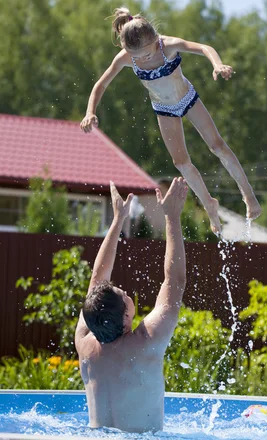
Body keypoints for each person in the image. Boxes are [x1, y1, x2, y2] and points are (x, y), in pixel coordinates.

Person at [80, 8, 261, 234]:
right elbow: (101, 85)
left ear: (156, 39)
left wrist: (217, 64)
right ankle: (209, 204)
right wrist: (90, 111)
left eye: (147, 53)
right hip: (163, 109)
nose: (143, 59)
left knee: (217, 145)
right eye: (137, 57)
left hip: (188, 98)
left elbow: (204, 47)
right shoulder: (125, 58)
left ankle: (248, 194)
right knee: (181, 163)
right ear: (126, 49)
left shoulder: (168, 45)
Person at [75, 177, 188, 433]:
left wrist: (117, 221)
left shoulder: (84, 346)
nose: (126, 292)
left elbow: (96, 283)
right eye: (124, 295)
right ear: (126, 317)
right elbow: (175, 282)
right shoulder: (145, 343)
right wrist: (172, 217)